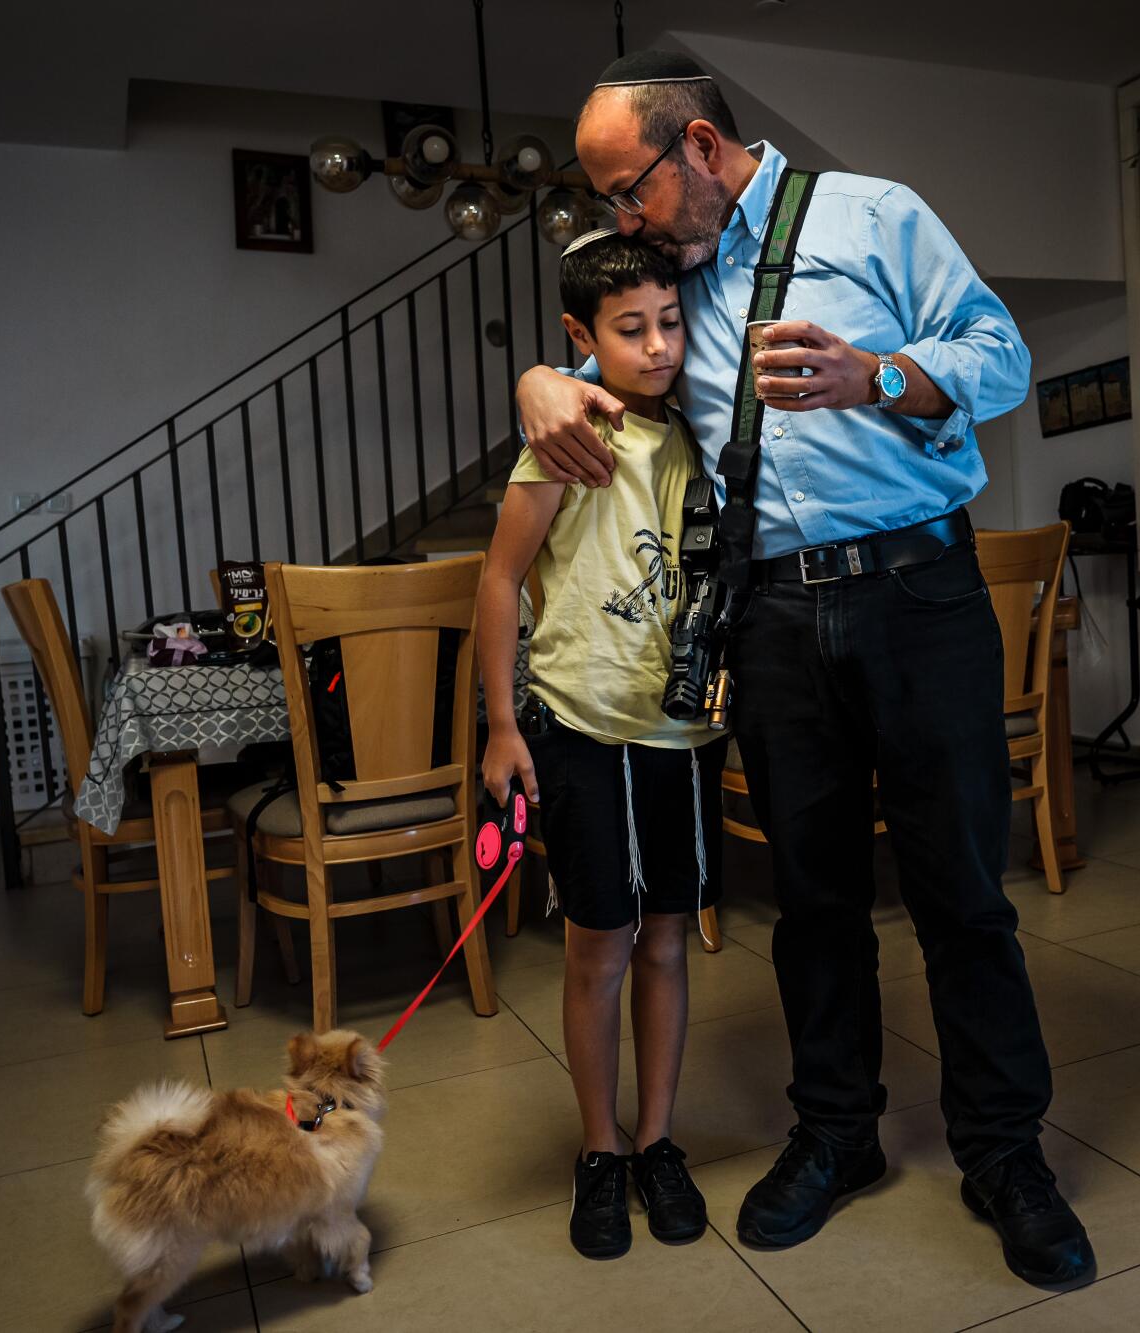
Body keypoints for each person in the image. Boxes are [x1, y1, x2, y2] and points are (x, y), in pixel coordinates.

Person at [514, 51, 1094, 1288]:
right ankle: (837, 1133)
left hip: (918, 596)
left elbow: (998, 352)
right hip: (771, 620)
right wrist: (537, 384)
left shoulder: (873, 214)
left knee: (960, 897)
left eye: (628, 191)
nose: (620, 220)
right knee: (813, 903)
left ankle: (1004, 1152)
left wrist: (879, 377)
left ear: (703, 152)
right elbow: (609, 362)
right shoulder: (671, 277)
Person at [478, 227, 728, 1261]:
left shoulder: (702, 436)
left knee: (668, 937)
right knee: (599, 948)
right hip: (582, 725)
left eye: (671, 322)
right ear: (583, 337)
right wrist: (500, 725)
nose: (659, 346)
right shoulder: (567, 435)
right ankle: (598, 1149)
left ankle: (658, 1139)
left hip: (684, 731)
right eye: (631, 329)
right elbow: (496, 581)